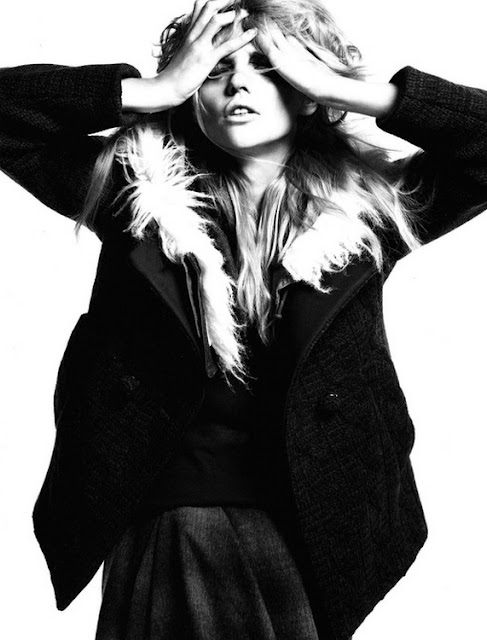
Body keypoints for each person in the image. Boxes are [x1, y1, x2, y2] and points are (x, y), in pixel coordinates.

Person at [0, 0, 486, 638]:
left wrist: (346, 91)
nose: (238, 84)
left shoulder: (368, 210)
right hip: (172, 520)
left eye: (269, 67)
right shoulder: (134, 196)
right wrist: (151, 89)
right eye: (215, 69)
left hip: (311, 529)